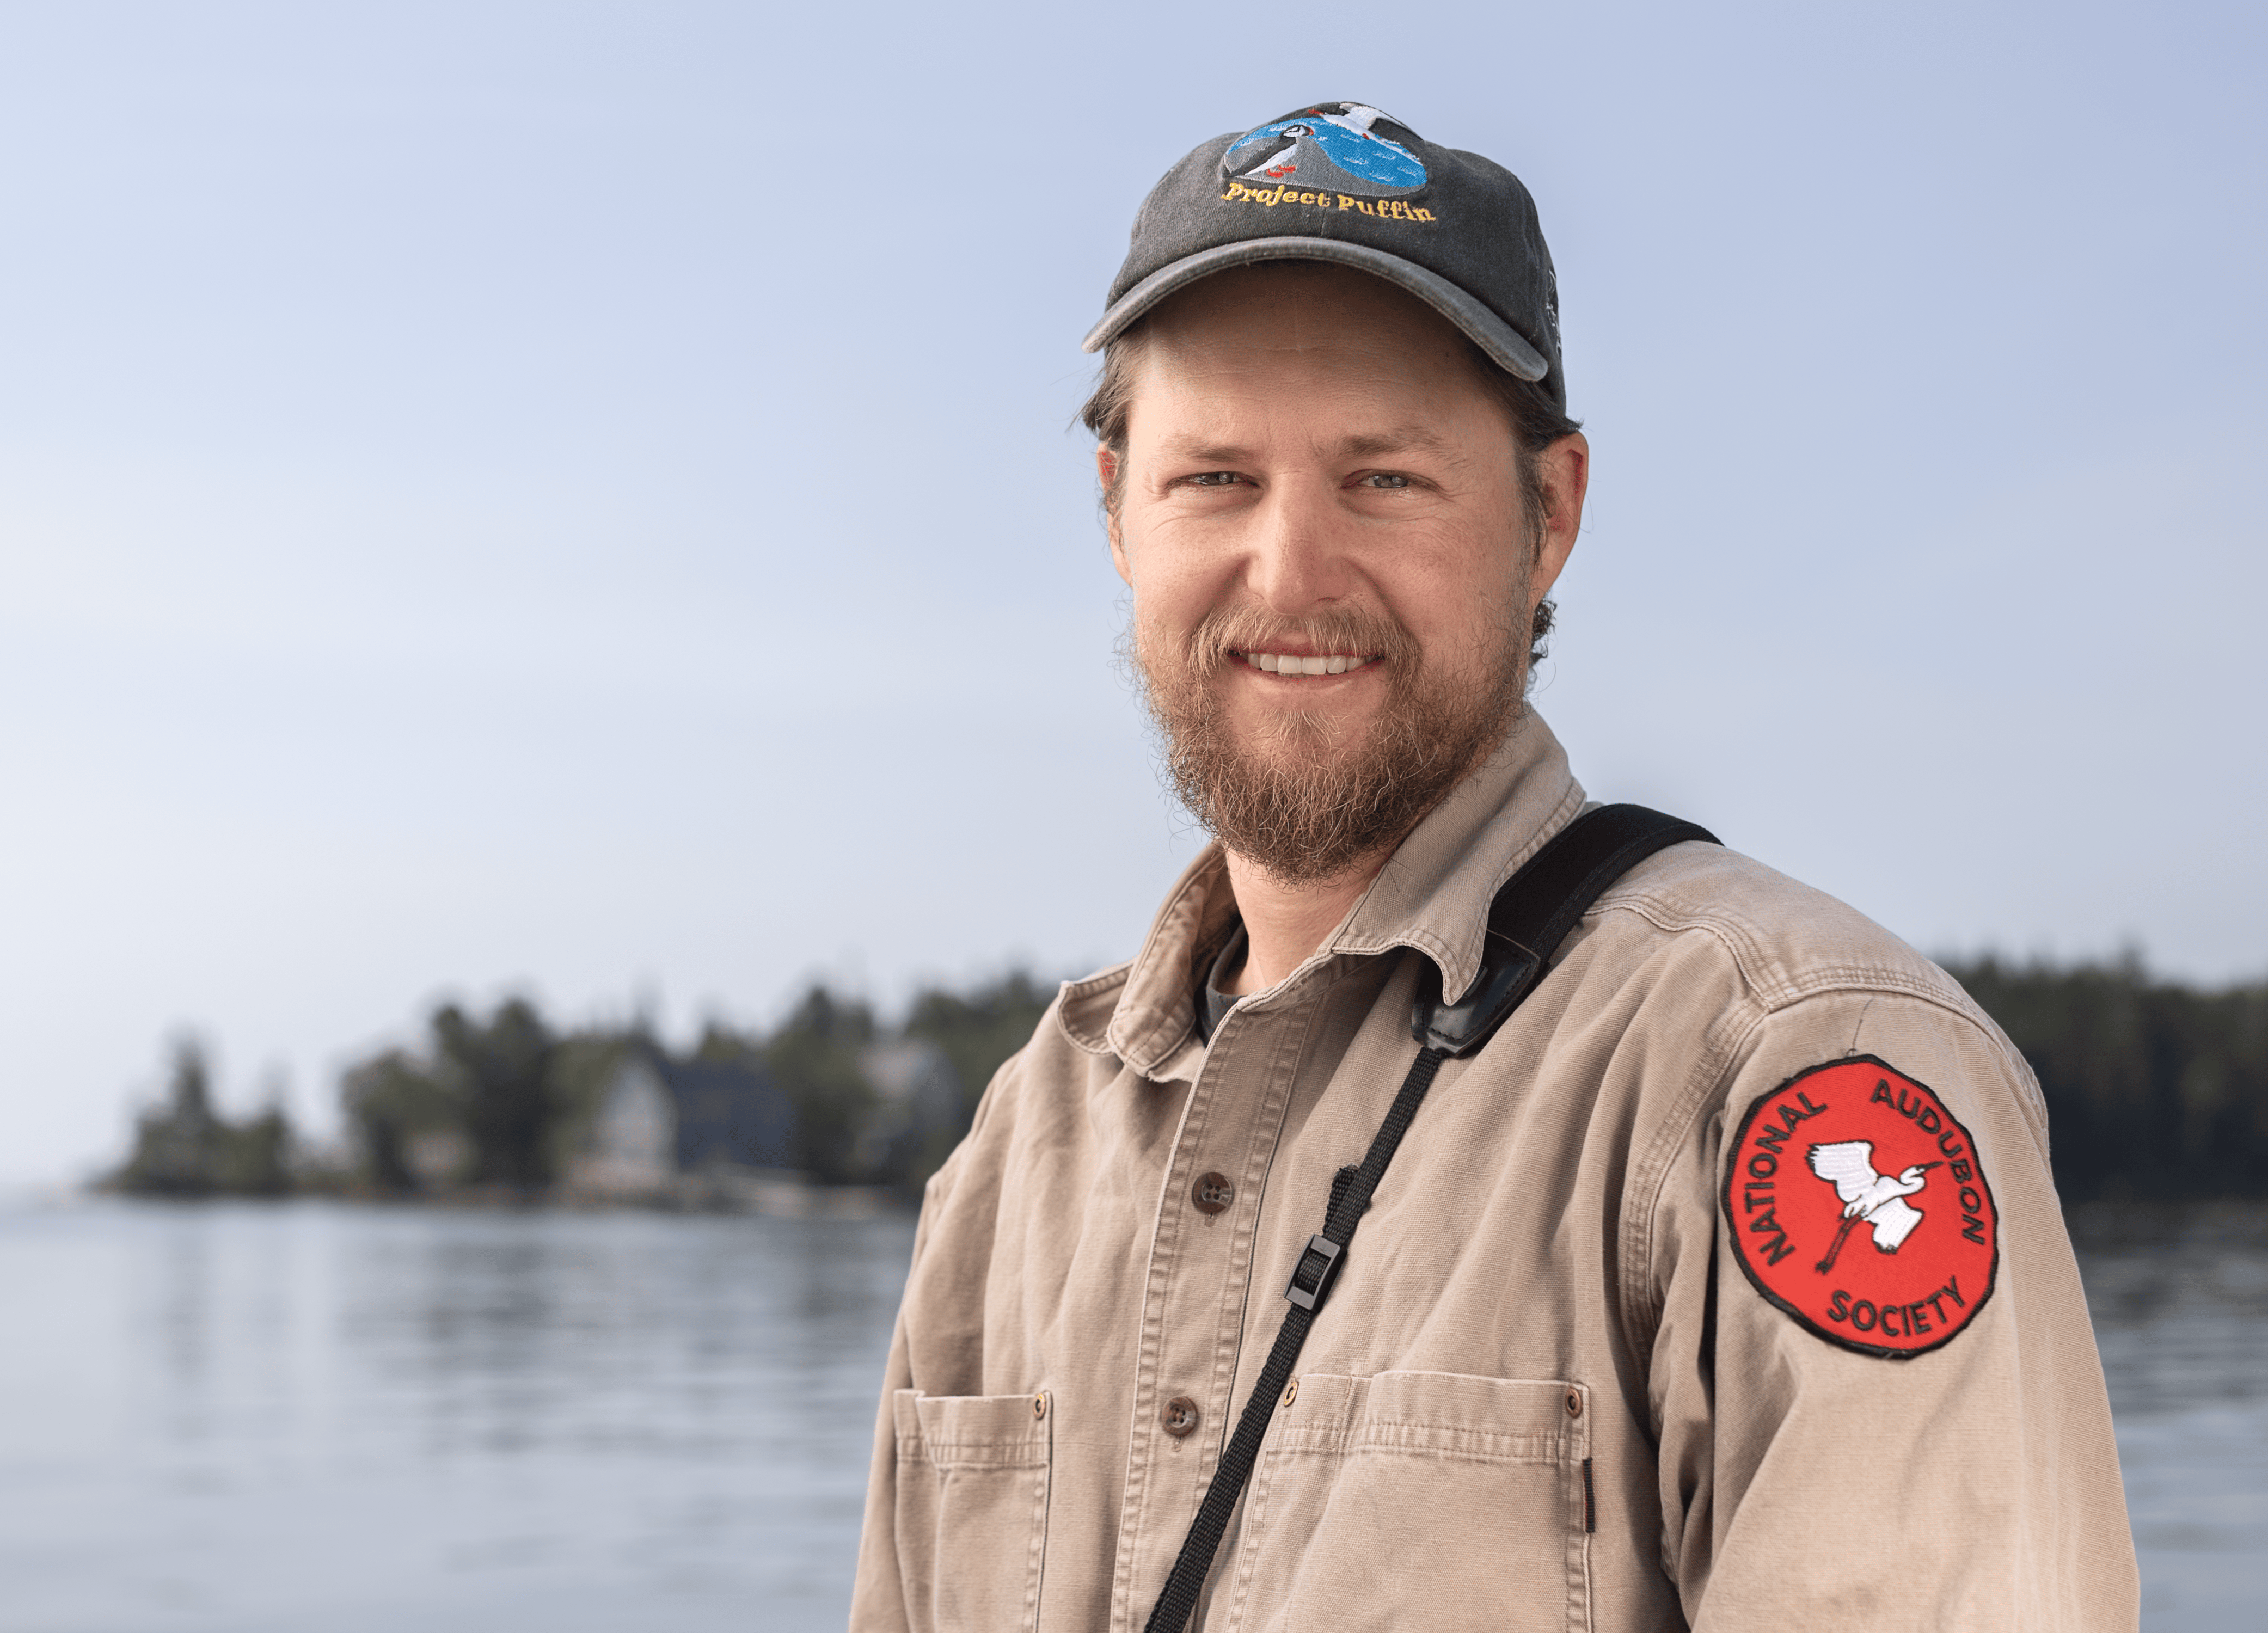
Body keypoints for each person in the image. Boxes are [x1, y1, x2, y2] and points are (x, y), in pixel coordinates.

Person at [848, 101, 2137, 1632]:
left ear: (1550, 516)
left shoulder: (1792, 1061)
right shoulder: (1018, 1148)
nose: (1291, 570)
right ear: (1118, 512)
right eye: (1214, 478)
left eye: (1383, 479)